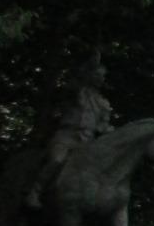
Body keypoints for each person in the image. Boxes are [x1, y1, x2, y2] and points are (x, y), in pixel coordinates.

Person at [26, 51, 113, 208]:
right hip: (67, 136)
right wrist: (89, 64)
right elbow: (75, 83)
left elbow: (103, 126)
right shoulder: (78, 92)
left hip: (88, 141)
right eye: (98, 75)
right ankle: (36, 190)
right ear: (91, 75)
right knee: (57, 160)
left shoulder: (103, 103)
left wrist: (111, 131)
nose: (102, 79)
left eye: (103, 76)